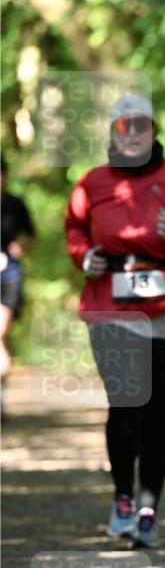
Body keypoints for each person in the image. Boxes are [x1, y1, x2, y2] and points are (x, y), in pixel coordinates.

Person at [65, 93, 165, 548]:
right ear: (113, 134)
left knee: (158, 412)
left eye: (141, 126)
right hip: (111, 304)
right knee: (126, 404)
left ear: (153, 131)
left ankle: (149, 509)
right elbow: (74, 230)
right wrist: (84, 256)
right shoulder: (92, 183)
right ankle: (123, 498)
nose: (133, 134)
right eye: (123, 126)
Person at [1, 156, 36, 419]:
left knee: (0, 333)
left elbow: (32, 237)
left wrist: (21, 246)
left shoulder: (15, 204)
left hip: (9, 275)